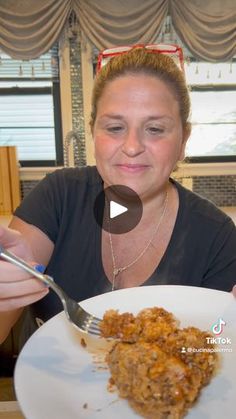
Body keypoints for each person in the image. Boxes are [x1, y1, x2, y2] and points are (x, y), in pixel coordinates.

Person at [0, 45, 236, 347]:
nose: (133, 146)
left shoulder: (216, 237)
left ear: (183, 140)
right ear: (93, 133)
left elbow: (216, 343)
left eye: (155, 128)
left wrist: (227, 327)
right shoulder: (58, 198)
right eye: (114, 127)